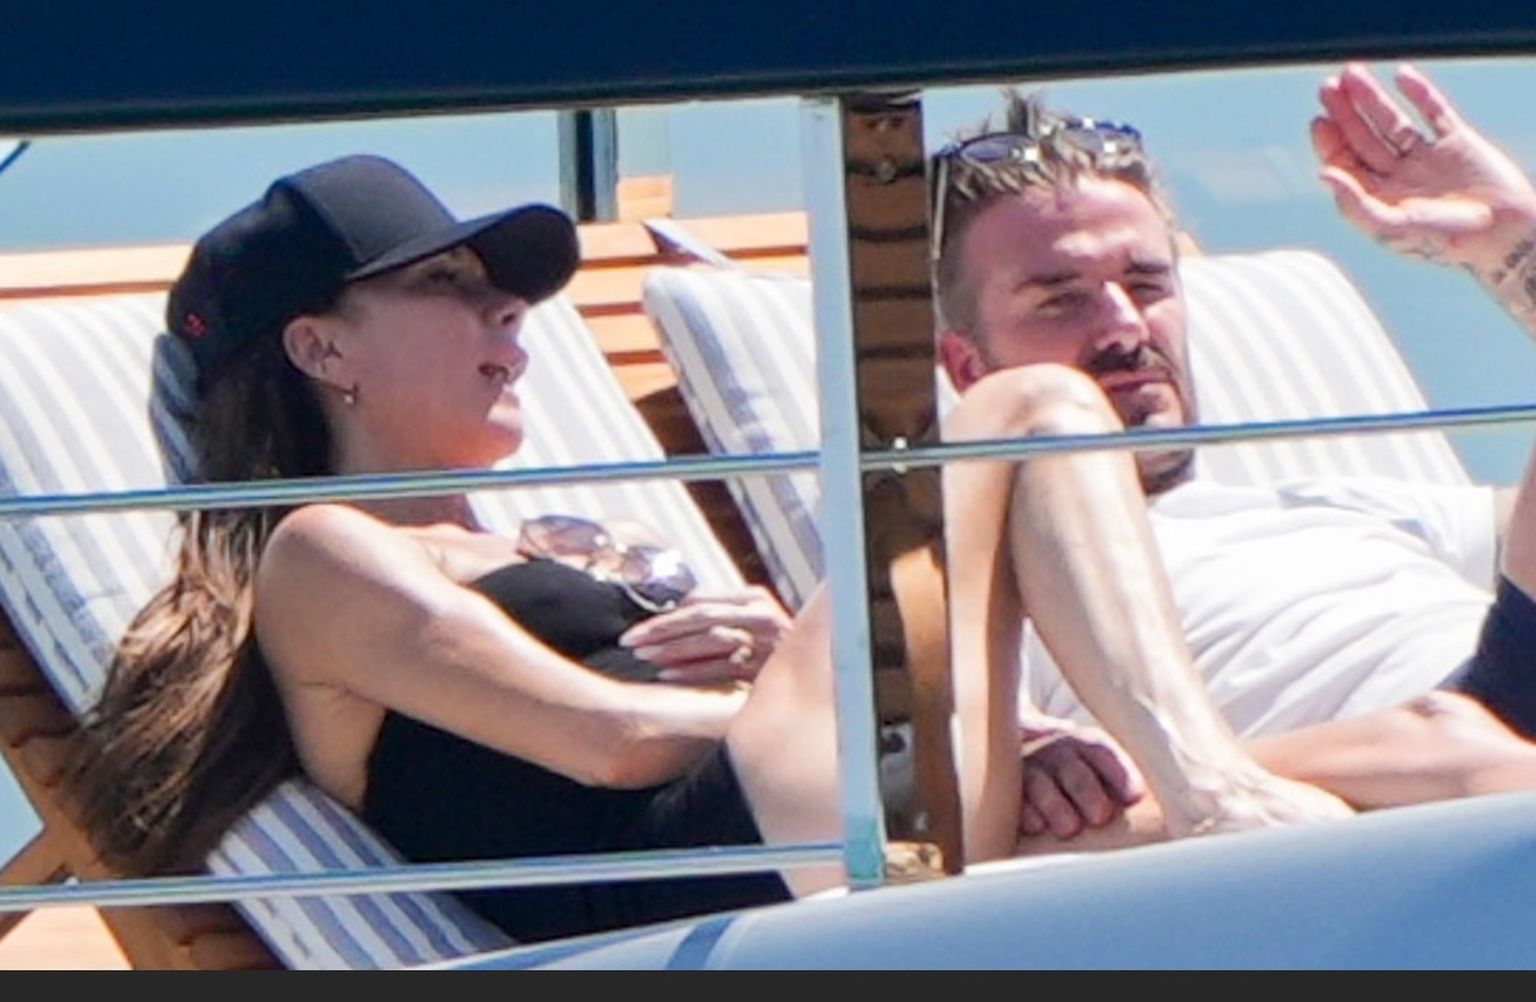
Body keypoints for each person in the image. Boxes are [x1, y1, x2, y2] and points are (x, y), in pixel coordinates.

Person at [66, 152, 1352, 943]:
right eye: (446, 286)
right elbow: (608, 740)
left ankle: (1222, 785)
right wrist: (840, 687)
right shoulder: (322, 554)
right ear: (320, 348)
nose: (508, 313)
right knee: (1033, 407)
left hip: (812, 830)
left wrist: (799, 664)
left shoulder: (535, 543)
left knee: (1402, 771)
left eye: (502, 291)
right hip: (712, 871)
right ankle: (1207, 783)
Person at [928, 61, 1536, 850]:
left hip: (1490, 717)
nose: (1124, 326)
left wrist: (1512, 245)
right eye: (1061, 299)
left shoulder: (1338, 504)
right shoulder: (974, 586)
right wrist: (1026, 744)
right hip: (1397, 804)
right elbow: (916, 773)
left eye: (1147, 285)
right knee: (1454, 748)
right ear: (968, 368)